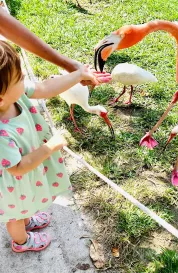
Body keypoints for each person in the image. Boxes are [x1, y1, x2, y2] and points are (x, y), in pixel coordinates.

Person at [0, 40, 110, 252]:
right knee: (15, 215)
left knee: (24, 204)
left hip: (23, 181)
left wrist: (77, 75)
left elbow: (45, 88)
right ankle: (21, 242)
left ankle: (26, 217)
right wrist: (49, 147)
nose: (24, 79)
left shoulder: (15, 94)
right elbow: (17, 167)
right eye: (19, 78)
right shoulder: (2, 134)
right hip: (13, 184)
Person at [0, 6, 101, 86]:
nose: (24, 75)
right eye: (20, 78)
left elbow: (45, 88)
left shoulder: (20, 90)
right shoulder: (19, 92)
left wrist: (76, 73)